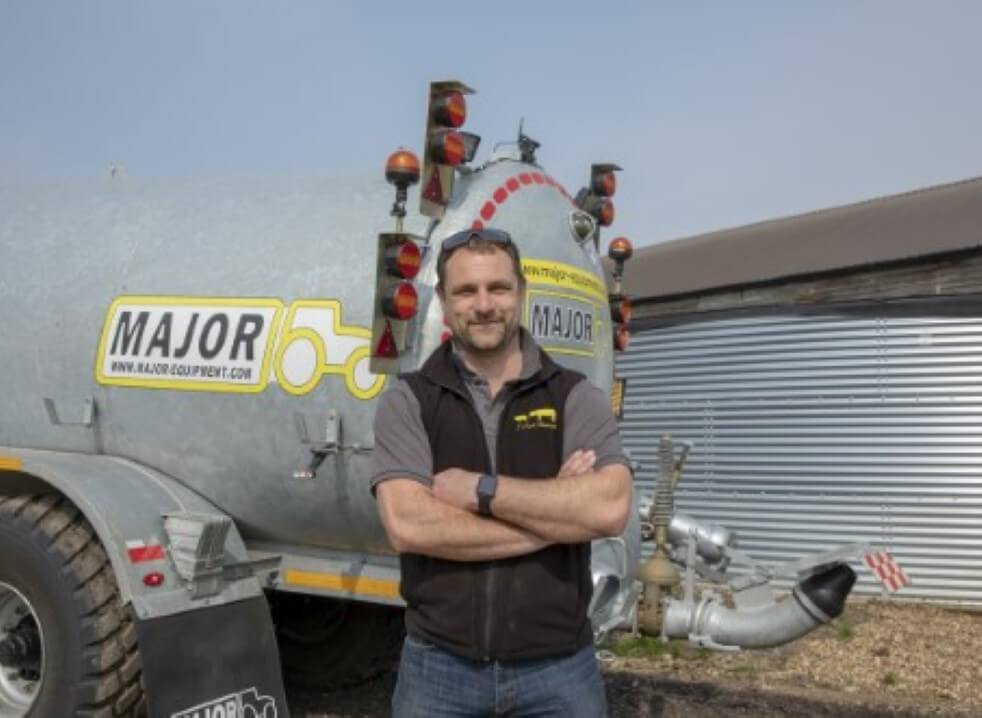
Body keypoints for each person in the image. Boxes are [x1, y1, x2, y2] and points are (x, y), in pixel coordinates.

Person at [371, 227, 633, 717]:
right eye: (466, 291)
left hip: (558, 671)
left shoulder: (575, 396)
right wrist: (554, 515)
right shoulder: (408, 401)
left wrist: (482, 490)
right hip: (438, 669)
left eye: (498, 288)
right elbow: (408, 524)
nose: (484, 304)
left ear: (522, 294)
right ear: (445, 307)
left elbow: (610, 506)